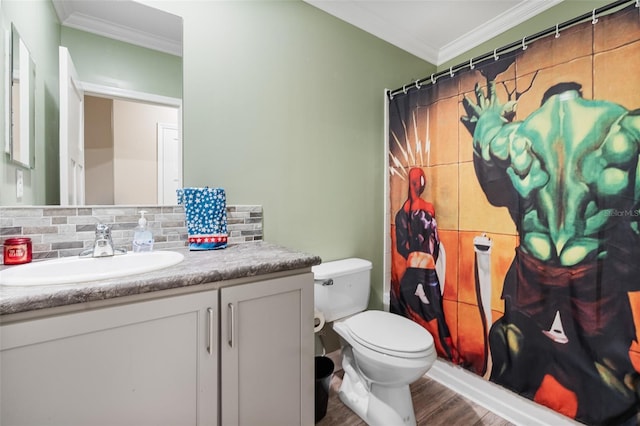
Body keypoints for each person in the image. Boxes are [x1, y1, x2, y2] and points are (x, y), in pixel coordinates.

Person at [461, 79, 640, 425]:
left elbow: (489, 153)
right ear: (579, 95)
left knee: (514, 342)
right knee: (611, 376)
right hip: (591, 271)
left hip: (534, 267)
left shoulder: (514, 135)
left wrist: (491, 115)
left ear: (544, 101)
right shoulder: (621, 126)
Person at [392, 167, 457, 361]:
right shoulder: (428, 208)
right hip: (427, 269)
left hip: (412, 268)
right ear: (420, 183)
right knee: (438, 313)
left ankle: (408, 348)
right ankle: (450, 353)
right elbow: (435, 241)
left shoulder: (401, 213)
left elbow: (402, 247)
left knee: (402, 305)